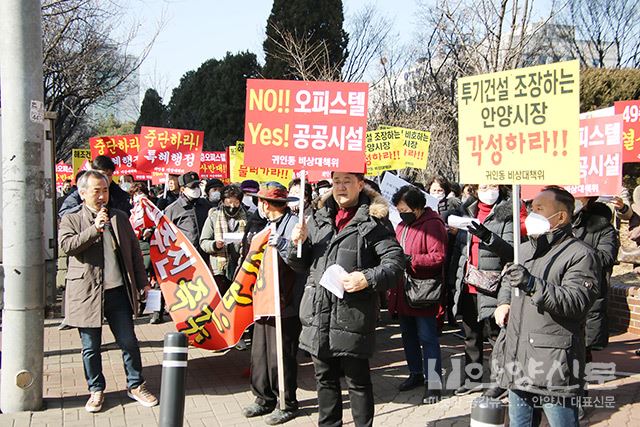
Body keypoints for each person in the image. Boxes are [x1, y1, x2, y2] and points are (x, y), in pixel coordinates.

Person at [289, 171, 405, 427]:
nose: (341, 187)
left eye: (347, 182)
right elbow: (300, 264)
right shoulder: (317, 217)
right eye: (337, 181)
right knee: (325, 380)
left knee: (358, 383)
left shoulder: (374, 220)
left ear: (360, 184)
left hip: (352, 316)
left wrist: (367, 278)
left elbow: (395, 263)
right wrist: (297, 244)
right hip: (317, 314)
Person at [492, 186, 600, 427]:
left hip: (553, 365)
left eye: (540, 209)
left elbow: (575, 302)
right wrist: (504, 302)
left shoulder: (580, 255)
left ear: (561, 217)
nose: (532, 213)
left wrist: (532, 283)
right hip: (518, 359)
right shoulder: (526, 249)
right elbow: (510, 281)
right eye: (531, 208)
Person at [58, 170, 158, 413]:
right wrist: (94, 228)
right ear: (82, 193)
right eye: (96, 191)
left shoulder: (120, 217)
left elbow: (134, 251)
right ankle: (96, 389)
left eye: (105, 190)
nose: (102, 196)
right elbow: (67, 245)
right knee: (91, 347)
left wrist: (143, 282)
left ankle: (135, 385)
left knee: (128, 341)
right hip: (86, 292)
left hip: (117, 291)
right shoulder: (72, 219)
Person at [452, 184, 526, 399]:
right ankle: (473, 378)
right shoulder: (468, 211)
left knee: (496, 337)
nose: (488, 190)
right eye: (483, 186)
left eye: (493, 186)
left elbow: (513, 252)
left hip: (496, 286)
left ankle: (500, 382)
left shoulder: (508, 214)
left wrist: (486, 235)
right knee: (470, 335)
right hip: (468, 284)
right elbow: (460, 250)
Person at [241, 182, 306, 425]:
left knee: (281, 356)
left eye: (261, 201)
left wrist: (285, 245)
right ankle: (263, 397)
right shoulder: (266, 226)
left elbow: (300, 261)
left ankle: (286, 402)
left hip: (284, 302)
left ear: (266, 204)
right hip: (263, 298)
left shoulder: (295, 226)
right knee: (260, 355)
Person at [389, 185, 447, 404]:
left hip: (423, 291)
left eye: (404, 209)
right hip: (403, 290)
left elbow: (438, 256)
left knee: (427, 338)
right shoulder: (402, 226)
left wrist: (411, 260)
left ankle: (433, 384)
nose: (402, 213)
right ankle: (415, 373)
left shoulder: (433, 224)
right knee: (408, 335)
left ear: (418, 207)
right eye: (399, 209)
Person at [572, 197, 619, 359]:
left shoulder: (605, 229)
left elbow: (607, 256)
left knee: (584, 346)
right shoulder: (566, 225)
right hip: (565, 287)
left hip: (590, 285)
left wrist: (576, 253)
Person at [200, 184, 247, 296]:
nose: (232, 206)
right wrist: (215, 245)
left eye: (235, 203)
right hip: (219, 269)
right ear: (222, 202)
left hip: (240, 266)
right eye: (228, 203)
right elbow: (203, 242)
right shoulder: (214, 217)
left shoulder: (247, 217)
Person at [59, 156, 133, 217]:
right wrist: (88, 209)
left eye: (109, 175)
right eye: (102, 174)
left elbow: (127, 215)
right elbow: (64, 213)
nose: (106, 178)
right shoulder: (81, 192)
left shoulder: (121, 195)